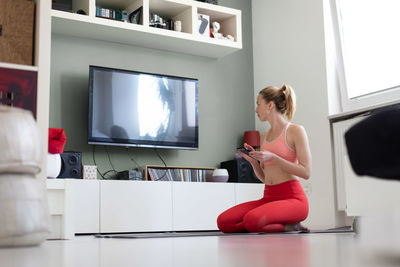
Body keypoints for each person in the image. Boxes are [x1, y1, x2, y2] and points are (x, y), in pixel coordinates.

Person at [217, 84, 311, 233]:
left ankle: (291, 225)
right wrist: (254, 162)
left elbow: (306, 172)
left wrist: (275, 157)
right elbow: (265, 178)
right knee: (224, 222)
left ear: (270, 105)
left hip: (293, 199)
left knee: (252, 219)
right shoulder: (264, 136)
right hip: (269, 197)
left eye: (258, 104)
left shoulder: (295, 131)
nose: (256, 109)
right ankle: (284, 225)